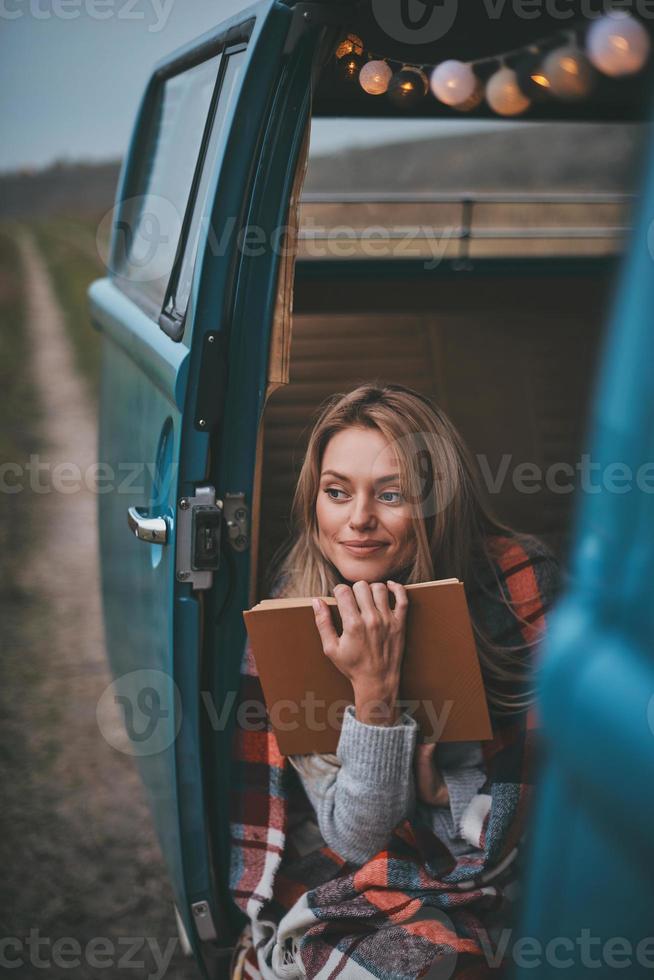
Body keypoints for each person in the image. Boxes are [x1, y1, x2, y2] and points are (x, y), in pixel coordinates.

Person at [229, 382, 561, 980]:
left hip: (504, 857)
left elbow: (551, 776)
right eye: (337, 493)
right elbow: (356, 839)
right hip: (366, 866)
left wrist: (445, 798)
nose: (358, 520)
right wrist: (374, 695)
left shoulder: (516, 584)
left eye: (392, 494)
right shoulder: (294, 613)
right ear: (314, 502)